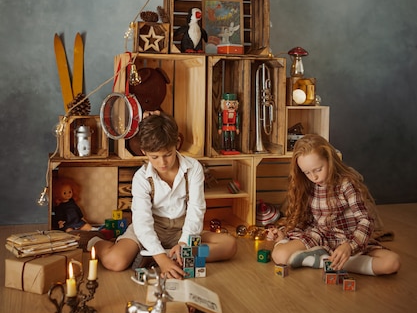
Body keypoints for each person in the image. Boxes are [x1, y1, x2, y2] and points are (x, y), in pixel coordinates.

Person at [89, 113, 237, 278]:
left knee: (229, 245)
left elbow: (196, 209)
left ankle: (162, 254)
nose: (162, 163)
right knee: (115, 261)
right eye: (155, 157)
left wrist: (184, 242)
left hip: (181, 230)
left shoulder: (193, 168)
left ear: (177, 144)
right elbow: (142, 222)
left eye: (168, 154)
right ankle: (98, 242)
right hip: (152, 228)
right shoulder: (141, 177)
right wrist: (162, 259)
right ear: (144, 151)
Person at [268, 134, 400, 276]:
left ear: (329, 160)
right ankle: (327, 261)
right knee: (279, 255)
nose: (314, 177)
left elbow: (366, 220)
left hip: (349, 239)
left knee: (392, 263)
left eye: (318, 169)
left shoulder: (346, 184)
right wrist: (283, 236)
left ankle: (326, 260)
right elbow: (303, 220)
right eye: (307, 172)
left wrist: (349, 246)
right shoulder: (308, 185)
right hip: (320, 236)